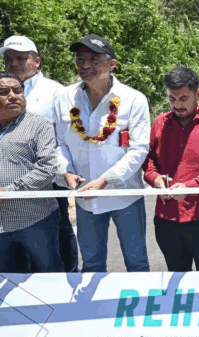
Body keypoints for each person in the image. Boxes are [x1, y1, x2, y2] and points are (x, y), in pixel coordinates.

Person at [53, 35, 150, 272]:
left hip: (125, 195)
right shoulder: (64, 98)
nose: (85, 65)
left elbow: (138, 150)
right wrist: (66, 172)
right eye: (80, 59)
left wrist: (105, 180)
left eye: (94, 59)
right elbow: (59, 144)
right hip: (86, 199)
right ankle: (95, 310)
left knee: (136, 262)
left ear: (111, 64)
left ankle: (139, 310)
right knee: (92, 263)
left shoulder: (133, 99)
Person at [1, 36, 78, 272]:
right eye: (9, 59)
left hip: (50, 180)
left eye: (21, 58)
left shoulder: (57, 92)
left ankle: (68, 281)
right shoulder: (2, 86)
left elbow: (69, 135)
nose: (14, 63)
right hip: (7, 193)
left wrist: (67, 171)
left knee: (58, 238)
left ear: (37, 61)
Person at [143, 67, 199, 271]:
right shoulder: (159, 123)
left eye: (183, 98)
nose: (177, 105)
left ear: (197, 94)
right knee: (175, 272)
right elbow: (147, 159)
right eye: (172, 99)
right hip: (166, 217)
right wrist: (154, 178)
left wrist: (190, 187)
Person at [0, 73, 64, 273]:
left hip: (35, 218)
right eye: (4, 92)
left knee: (50, 275)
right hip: (1, 225)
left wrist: (8, 191)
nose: (13, 96)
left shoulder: (40, 125)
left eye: (18, 91)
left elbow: (47, 167)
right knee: (9, 281)